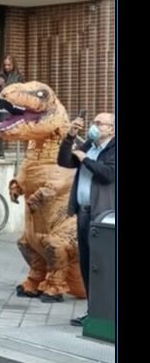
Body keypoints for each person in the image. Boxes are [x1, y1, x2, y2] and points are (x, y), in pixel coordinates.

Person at [57, 112, 115, 326]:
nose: (95, 126)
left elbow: (109, 174)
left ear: (111, 129)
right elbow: (64, 161)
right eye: (94, 122)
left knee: (103, 265)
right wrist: (70, 137)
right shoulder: (89, 144)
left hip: (102, 214)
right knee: (88, 264)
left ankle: (106, 313)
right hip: (83, 212)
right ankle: (93, 311)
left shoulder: (112, 149)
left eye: (100, 123)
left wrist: (86, 159)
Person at [0, 54, 24, 157]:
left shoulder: (18, 76)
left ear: (13, 65)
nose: (7, 67)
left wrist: (6, 86)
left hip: (10, 105)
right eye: (5, 65)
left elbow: (21, 90)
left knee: (7, 127)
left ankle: (10, 149)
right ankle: (0, 152)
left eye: (9, 65)